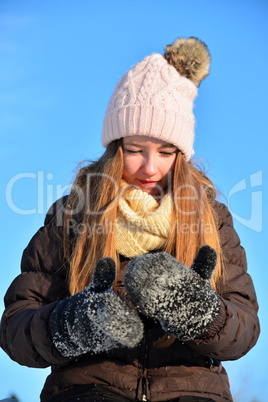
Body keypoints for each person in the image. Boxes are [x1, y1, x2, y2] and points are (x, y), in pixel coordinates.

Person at [0, 36, 260, 402]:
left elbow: (245, 327)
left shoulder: (210, 217)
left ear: (181, 154)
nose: (150, 168)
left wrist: (205, 314)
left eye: (166, 151)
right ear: (115, 147)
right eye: (135, 150)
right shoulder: (73, 213)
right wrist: (72, 323)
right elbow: (15, 327)